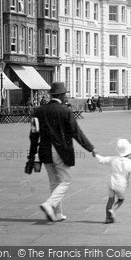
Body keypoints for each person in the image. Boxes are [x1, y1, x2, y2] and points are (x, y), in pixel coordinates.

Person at [31, 82, 96, 222]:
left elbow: (34, 134)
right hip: (60, 150)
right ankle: (49, 204)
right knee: (65, 181)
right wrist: (90, 147)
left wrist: (33, 156)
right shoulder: (65, 111)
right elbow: (76, 132)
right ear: (61, 95)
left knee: (54, 183)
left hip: (44, 150)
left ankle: (58, 214)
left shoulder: (38, 111)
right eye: (65, 94)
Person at [94, 139, 131, 223]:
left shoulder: (113, 159)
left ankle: (107, 218)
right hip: (121, 185)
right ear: (128, 152)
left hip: (111, 183)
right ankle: (113, 211)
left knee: (110, 200)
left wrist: (96, 155)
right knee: (120, 200)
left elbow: (102, 160)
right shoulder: (129, 162)